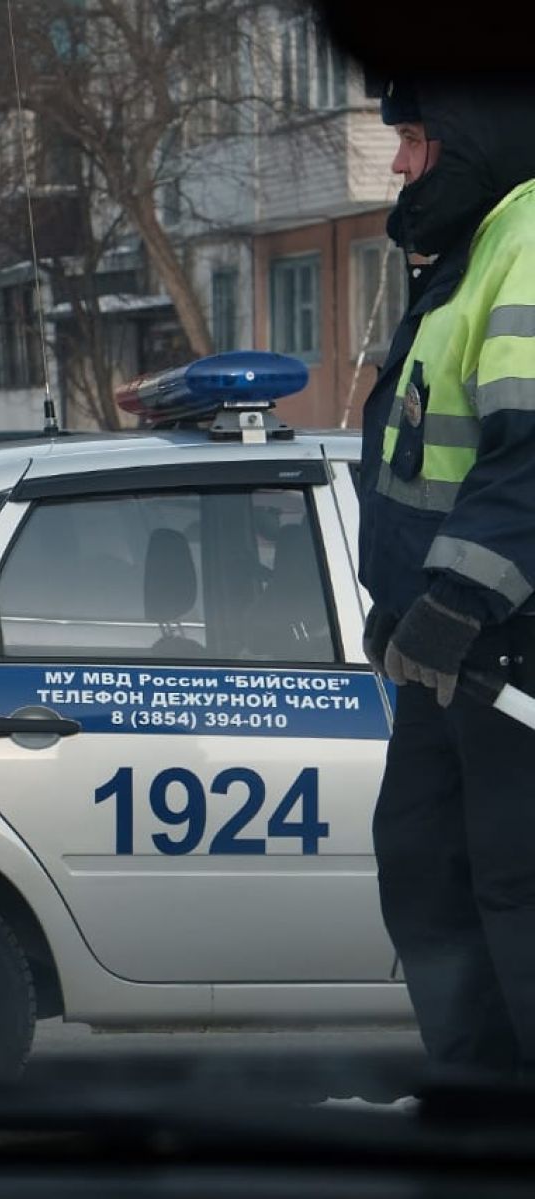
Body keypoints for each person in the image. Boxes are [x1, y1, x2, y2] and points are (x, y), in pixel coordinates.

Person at [359, 76, 535, 1081]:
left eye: (416, 137)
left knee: (513, 893)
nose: (400, 163)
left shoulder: (530, 238)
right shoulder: (474, 257)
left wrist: (457, 599)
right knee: (431, 876)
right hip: (459, 656)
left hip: (508, 644)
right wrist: (404, 605)